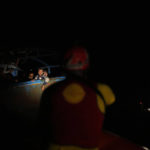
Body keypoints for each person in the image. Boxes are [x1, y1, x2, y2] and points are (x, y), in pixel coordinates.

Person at [38, 46, 116, 150]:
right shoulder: (102, 90)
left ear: (64, 66)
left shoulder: (50, 91)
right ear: (87, 66)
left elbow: (42, 124)